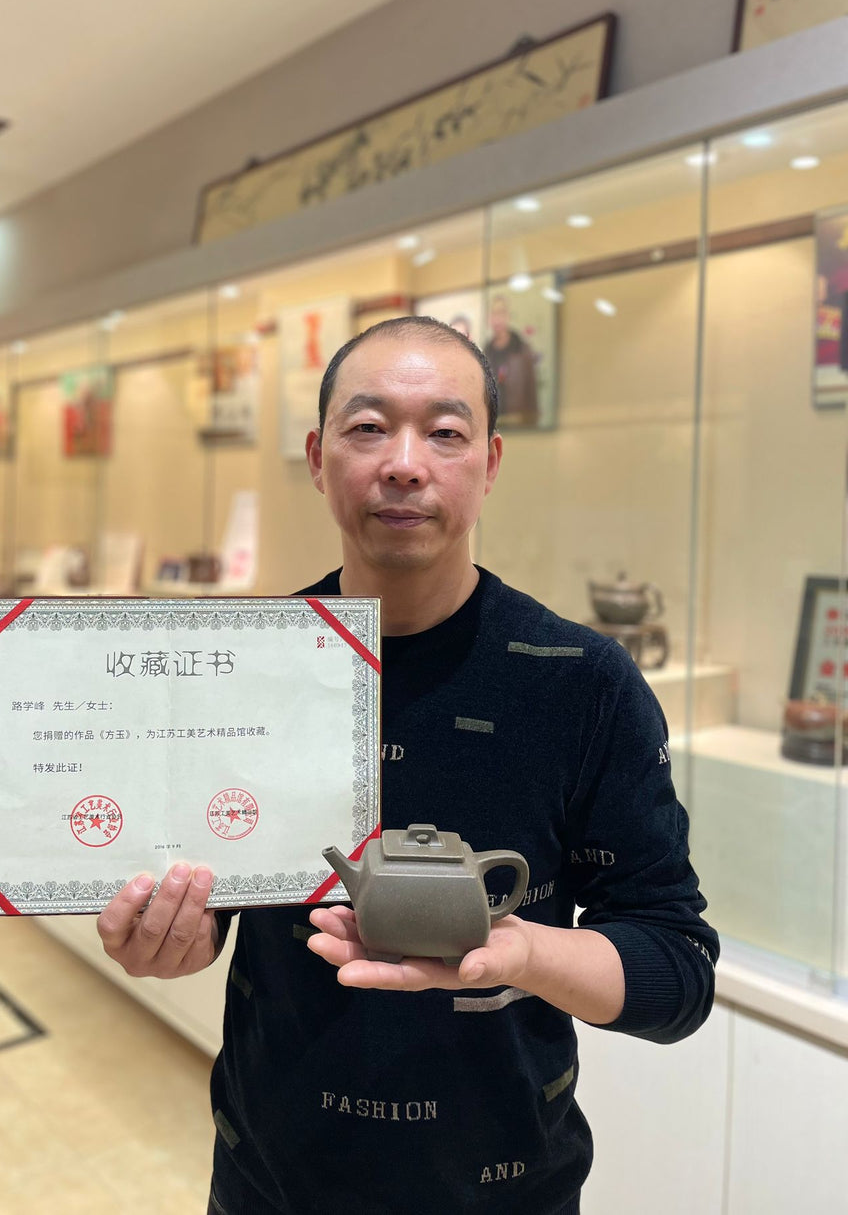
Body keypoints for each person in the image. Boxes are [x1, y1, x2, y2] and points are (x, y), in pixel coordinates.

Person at [97, 316, 718, 1215]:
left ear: (491, 463)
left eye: (445, 431)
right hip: (270, 1183)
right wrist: (170, 939)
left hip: (510, 1191)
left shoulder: (580, 681)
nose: (403, 462)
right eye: (368, 426)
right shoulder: (247, 667)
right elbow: (208, 909)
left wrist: (520, 951)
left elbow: (677, 971)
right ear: (318, 458)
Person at [483, 294, 539, 426]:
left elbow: (532, 392)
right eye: (494, 314)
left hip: (518, 423)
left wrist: (533, 421)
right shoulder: (486, 351)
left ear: (508, 316)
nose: (497, 319)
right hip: (493, 424)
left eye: (501, 313)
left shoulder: (522, 349)